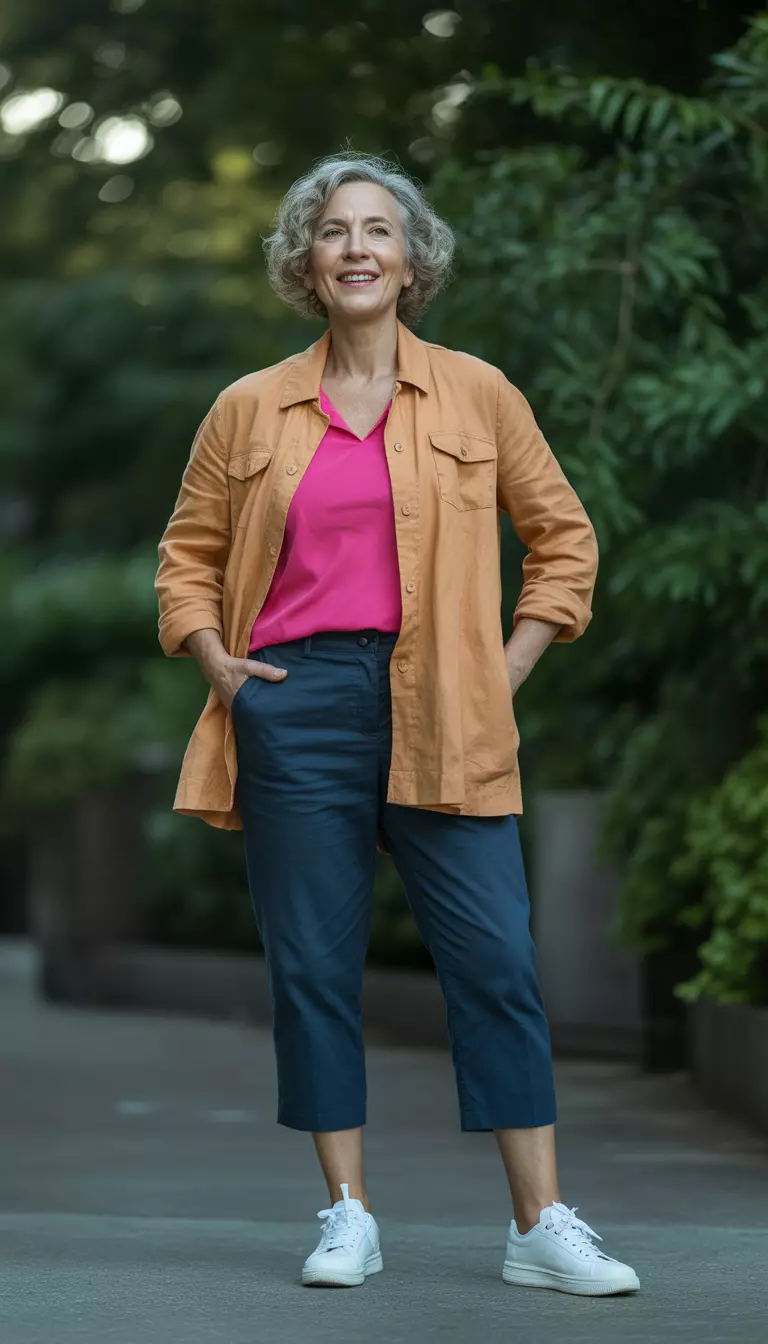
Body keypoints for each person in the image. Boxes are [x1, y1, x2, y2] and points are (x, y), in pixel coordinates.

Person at [154, 151, 640, 1297]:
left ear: (413, 261)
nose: (357, 248)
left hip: (449, 702)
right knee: (313, 968)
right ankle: (348, 1213)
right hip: (295, 703)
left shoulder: (479, 393)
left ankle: (540, 1225)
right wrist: (221, 664)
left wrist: (504, 668)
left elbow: (564, 540)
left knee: (498, 961)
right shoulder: (249, 407)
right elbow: (186, 557)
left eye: (379, 229)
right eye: (334, 231)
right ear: (305, 263)